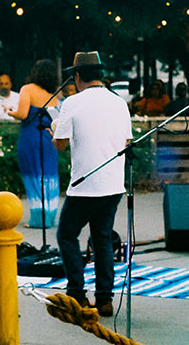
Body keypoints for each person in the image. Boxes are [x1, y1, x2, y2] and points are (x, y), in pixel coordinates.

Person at [54, 52, 132, 317]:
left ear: (77, 77)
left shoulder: (71, 103)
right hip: (113, 184)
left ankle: (76, 293)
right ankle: (105, 299)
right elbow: (126, 142)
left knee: (66, 234)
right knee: (102, 240)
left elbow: (61, 143)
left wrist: (53, 130)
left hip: (85, 185)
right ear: (100, 75)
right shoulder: (119, 102)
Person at [9, 59, 60, 228]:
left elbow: (23, 114)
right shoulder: (54, 94)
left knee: (33, 174)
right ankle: (50, 216)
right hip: (48, 137)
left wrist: (10, 112)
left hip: (31, 136)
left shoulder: (27, 89)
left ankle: (38, 218)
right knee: (49, 174)